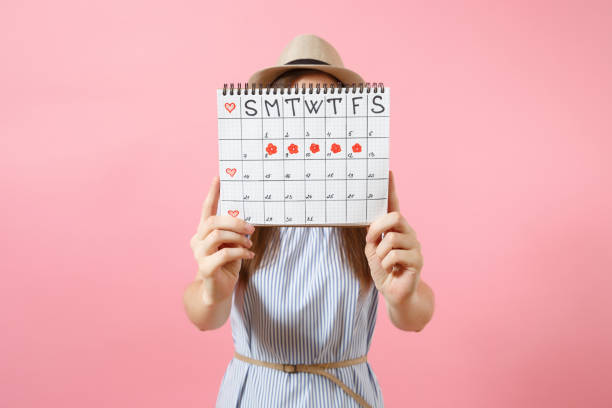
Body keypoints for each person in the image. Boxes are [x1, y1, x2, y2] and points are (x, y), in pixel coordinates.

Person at [183, 34, 435, 408]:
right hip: (255, 396)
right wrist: (211, 290)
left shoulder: (368, 216)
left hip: (345, 396)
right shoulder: (244, 209)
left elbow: (415, 317)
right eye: (295, 108)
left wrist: (405, 294)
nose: (311, 124)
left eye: (329, 110)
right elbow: (204, 317)